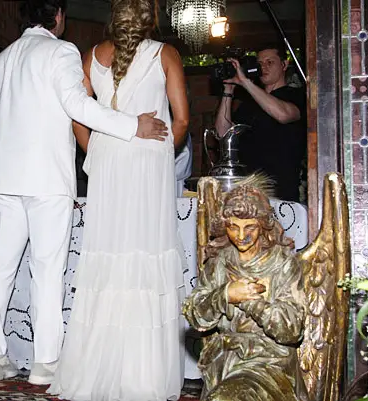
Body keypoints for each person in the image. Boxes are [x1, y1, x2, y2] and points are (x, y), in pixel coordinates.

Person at [0, 0, 169, 384]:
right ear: (59, 16)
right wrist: (133, 125)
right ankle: (45, 361)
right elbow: (78, 104)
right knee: (47, 269)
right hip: (47, 178)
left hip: (3, 179)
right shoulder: (60, 51)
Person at [48, 0, 189, 398]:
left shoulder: (91, 56)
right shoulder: (166, 53)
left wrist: (94, 151)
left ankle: (95, 365)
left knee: (108, 252)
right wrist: (161, 153)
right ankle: (146, 372)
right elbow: (181, 120)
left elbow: (77, 115)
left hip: (107, 162)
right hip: (149, 163)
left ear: (114, 18)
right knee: (146, 250)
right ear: (151, 19)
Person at [183, 183, 308, 401]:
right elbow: (195, 315)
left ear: (263, 225)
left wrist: (251, 302)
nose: (241, 235)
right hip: (224, 360)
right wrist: (225, 295)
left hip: (269, 362)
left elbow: (291, 329)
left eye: (250, 227)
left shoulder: (282, 264)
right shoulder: (219, 263)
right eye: (233, 227)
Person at [215, 44, 306, 202]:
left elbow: (283, 115)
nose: (264, 67)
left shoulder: (297, 95)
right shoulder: (249, 103)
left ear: (284, 65)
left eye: (270, 62)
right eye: (260, 64)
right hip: (248, 189)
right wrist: (228, 91)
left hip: (282, 189)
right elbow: (222, 133)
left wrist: (245, 82)